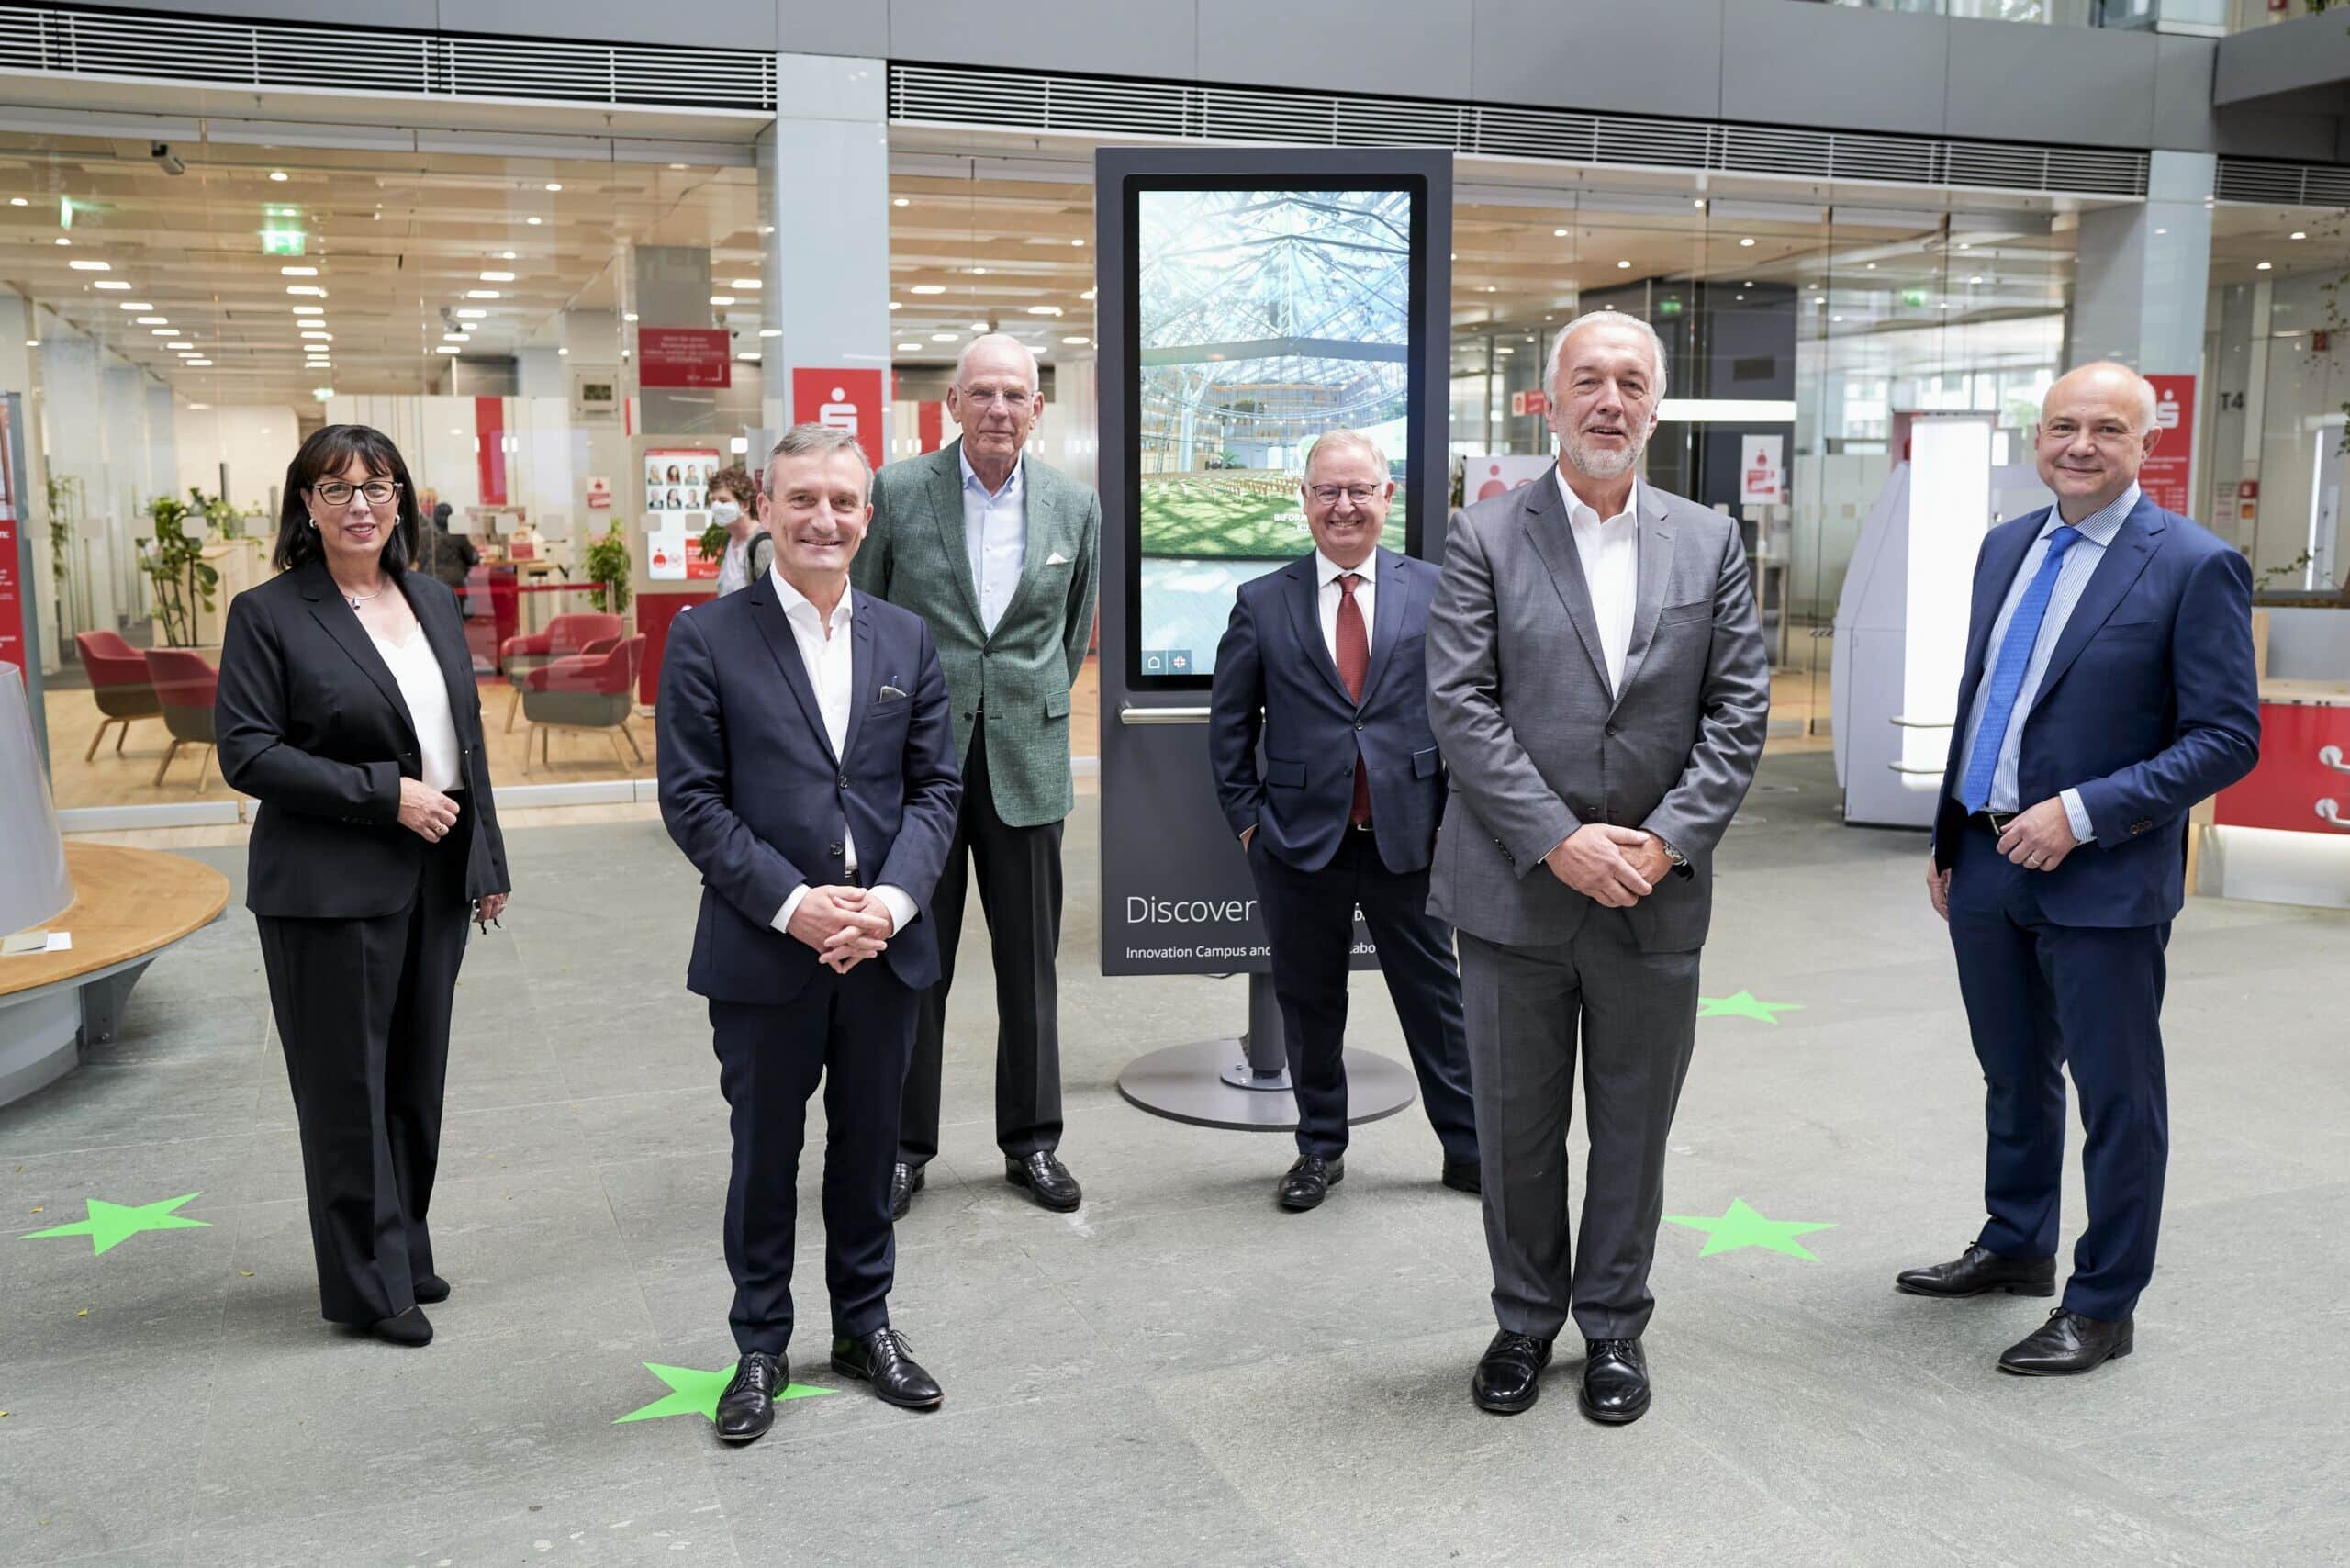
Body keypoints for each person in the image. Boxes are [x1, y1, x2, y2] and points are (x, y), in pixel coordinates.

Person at [1426, 309, 1769, 1424]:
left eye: (1630, 381)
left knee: (1633, 1126)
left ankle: (1614, 1325)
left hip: (1653, 896)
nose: (1608, 400)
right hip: (1515, 891)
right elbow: (1461, 709)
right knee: (1516, 1128)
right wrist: (1557, 839)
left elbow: (1737, 711)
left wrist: (1662, 841)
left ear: (1655, 405)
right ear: (1550, 398)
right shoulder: (1482, 536)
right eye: (1588, 380)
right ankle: (1524, 1318)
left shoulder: (1708, 541)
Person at [1903, 363, 2260, 1376]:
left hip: (2101, 878)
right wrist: (1949, 838)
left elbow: (2227, 738)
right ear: (2037, 437)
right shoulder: (2004, 546)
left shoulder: (2193, 565)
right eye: (2063, 425)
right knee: (2012, 1074)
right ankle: (2015, 1242)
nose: (2080, 444)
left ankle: (2103, 1302)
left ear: (2145, 445)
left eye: (2108, 427)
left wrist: (2086, 811)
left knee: (2116, 1097)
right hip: (1984, 860)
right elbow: (1989, 699)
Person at [656, 423, 962, 1445]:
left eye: (842, 501)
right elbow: (693, 802)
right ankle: (759, 1343)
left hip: (883, 946)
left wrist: (888, 903)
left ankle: (864, 1324)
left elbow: (934, 790)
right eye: (802, 500)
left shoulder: (905, 638)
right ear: (768, 508)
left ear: (866, 517)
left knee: (871, 1147)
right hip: (763, 949)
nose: (823, 519)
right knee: (764, 1153)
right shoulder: (707, 637)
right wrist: (796, 905)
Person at [214, 424, 511, 1350]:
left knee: (415, 1078)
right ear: (305, 505)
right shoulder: (269, 613)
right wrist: (385, 796)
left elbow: (464, 737)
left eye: (377, 486)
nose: (360, 505)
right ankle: (365, 1284)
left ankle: (403, 1245)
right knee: (349, 1088)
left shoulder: (430, 595)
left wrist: (486, 858)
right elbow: (248, 752)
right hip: (328, 882)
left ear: (402, 499)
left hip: (434, 870)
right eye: (336, 488)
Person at [853, 332, 1101, 1219]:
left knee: (1030, 968)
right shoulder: (898, 491)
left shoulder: (1075, 505)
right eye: (983, 393)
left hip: (1027, 765)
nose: (1000, 410)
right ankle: (903, 1148)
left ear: (1038, 409)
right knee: (915, 961)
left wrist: (1022, 697)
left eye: (1017, 396)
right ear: (950, 403)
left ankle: (1032, 1143)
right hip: (918, 768)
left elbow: (1071, 634)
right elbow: (868, 616)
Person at [1207, 429, 1478, 1212]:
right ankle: (1319, 1149)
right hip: (1298, 843)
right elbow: (1230, 727)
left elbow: (1467, 712)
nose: (1344, 505)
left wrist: (1454, 818)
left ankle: (1466, 1150)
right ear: (1304, 500)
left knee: (1438, 1004)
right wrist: (1249, 825)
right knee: (1311, 1003)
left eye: (1360, 489)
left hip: (1412, 836)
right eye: (1328, 490)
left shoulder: (1439, 587)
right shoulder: (1262, 600)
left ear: (1387, 497)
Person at [708, 465, 759, 597]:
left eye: (723, 501)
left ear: (745, 505)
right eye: (713, 500)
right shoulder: (730, 541)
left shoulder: (762, 544)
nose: (716, 506)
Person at [416, 501, 479, 596]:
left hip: (428, 581)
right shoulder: (457, 534)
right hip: (454, 585)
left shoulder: (422, 534)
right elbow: (473, 558)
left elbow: (418, 557)